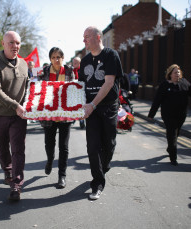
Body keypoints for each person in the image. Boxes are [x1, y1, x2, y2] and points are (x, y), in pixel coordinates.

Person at [78, 26, 124, 200]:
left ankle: (103, 168)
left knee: (109, 143)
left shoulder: (111, 55)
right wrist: (80, 105)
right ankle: (97, 183)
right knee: (92, 146)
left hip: (107, 106)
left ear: (98, 37)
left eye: (87, 37)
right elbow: (80, 86)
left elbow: (109, 82)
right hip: (91, 108)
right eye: (83, 37)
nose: (84, 41)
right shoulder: (84, 61)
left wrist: (92, 105)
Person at [0, 31, 28, 201]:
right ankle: (8, 171)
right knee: (2, 147)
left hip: (19, 116)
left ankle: (16, 185)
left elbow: (27, 87)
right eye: (11, 42)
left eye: (17, 43)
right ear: (3, 44)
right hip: (0, 114)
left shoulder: (24, 64)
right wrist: (15, 105)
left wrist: (27, 105)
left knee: (18, 149)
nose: (15, 46)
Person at [38, 47, 75, 189]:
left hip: (65, 114)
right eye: (53, 57)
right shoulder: (45, 71)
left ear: (63, 57)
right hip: (49, 114)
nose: (56, 59)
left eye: (59, 56)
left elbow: (74, 88)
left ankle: (62, 176)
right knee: (49, 145)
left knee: (64, 147)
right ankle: (49, 160)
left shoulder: (69, 71)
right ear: (50, 59)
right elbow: (36, 85)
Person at [147, 64, 191, 166]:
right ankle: (173, 158)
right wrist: (151, 114)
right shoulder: (164, 85)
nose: (177, 74)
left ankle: (170, 148)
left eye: (178, 72)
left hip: (181, 114)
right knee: (172, 134)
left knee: (175, 134)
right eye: (175, 72)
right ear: (170, 74)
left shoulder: (184, 82)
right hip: (168, 115)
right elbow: (157, 100)